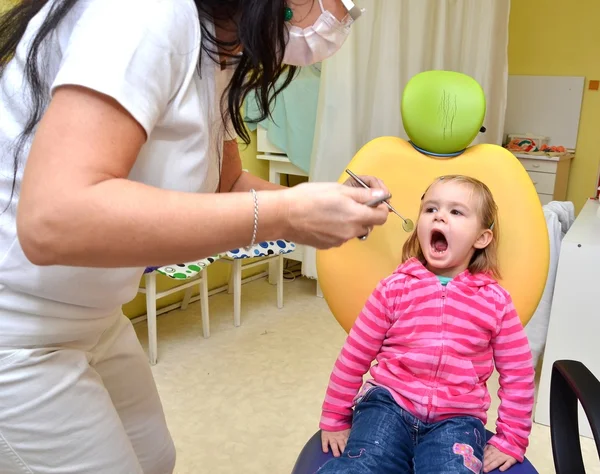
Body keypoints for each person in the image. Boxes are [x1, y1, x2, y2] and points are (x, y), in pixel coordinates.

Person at [0, 1, 391, 473]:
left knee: (155, 458)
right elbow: (53, 219)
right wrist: (287, 213)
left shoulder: (221, 48)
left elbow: (226, 186)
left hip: (95, 317)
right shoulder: (147, 14)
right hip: (19, 329)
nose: (345, 14)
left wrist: (328, 203)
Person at [318, 175, 536, 474]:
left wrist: (511, 437)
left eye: (456, 212)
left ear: (481, 238)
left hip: (458, 419)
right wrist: (334, 417)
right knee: (363, 467)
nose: (440, 216)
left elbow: (519, 374)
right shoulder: (393, 289)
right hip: (387, 405)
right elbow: (353, 357)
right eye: (430, 209)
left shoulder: (495, 302)